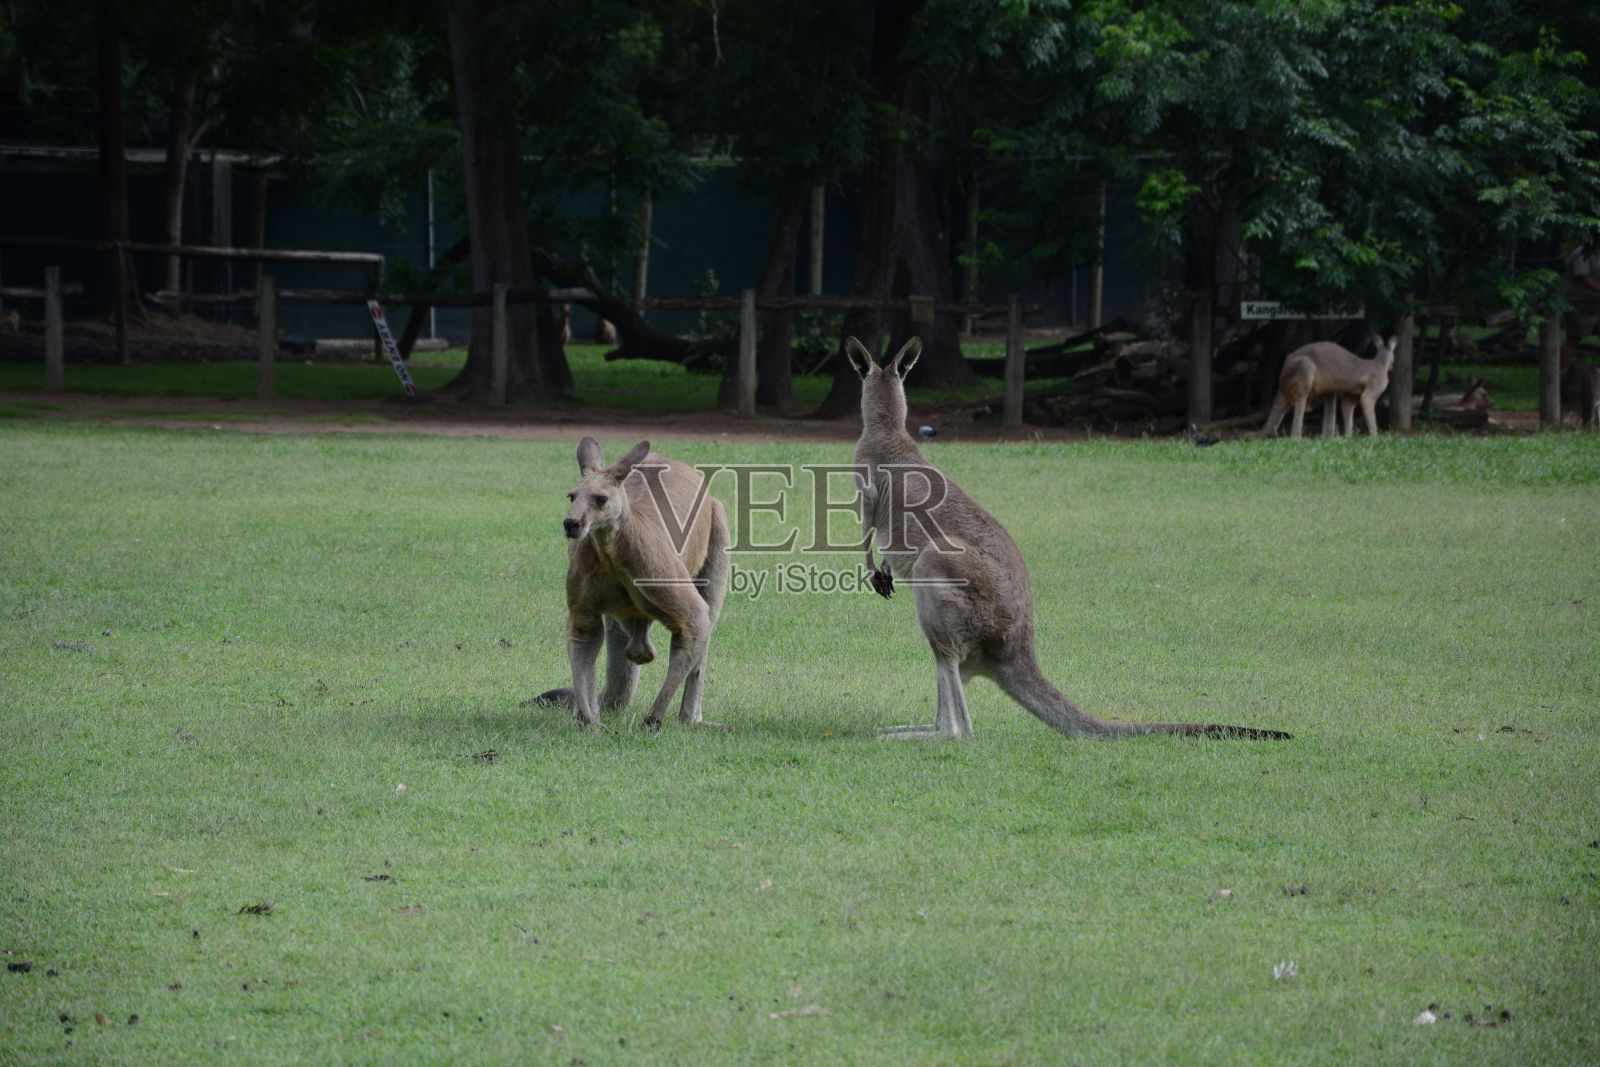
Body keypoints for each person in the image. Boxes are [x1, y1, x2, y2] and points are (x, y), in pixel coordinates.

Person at [1562, 246, 1600, 371]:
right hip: (1580, 304)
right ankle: (1559, 372)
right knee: (1574, 338)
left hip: (1597, 304)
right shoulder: (1582, 252)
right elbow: (1582, 278)